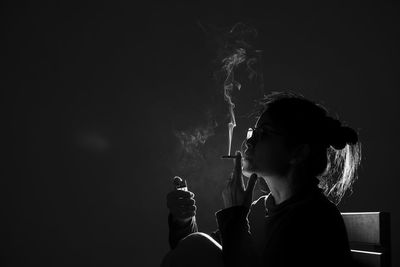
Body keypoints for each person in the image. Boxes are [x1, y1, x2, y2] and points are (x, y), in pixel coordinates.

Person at [162, 91, 361, 267]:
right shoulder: (262, 209)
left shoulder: (314, 220)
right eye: (253, 132)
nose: (248, 141)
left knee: (198, 243)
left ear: (298, 152)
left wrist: (235, 215)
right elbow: (191, 256)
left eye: (263, 133)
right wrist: (184, 220)